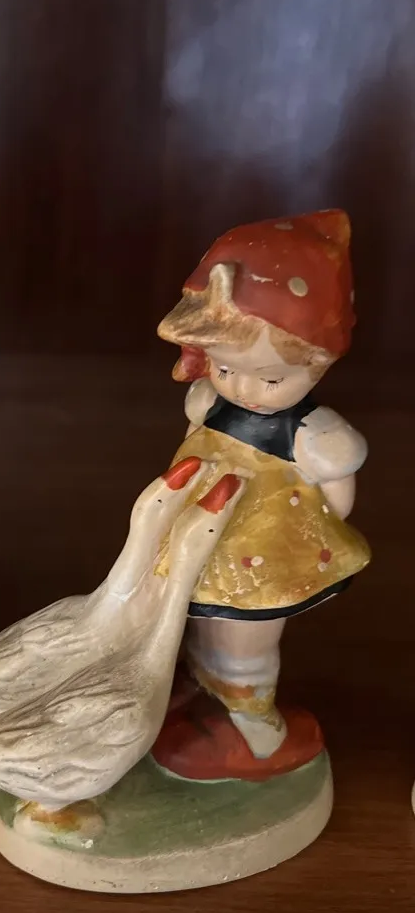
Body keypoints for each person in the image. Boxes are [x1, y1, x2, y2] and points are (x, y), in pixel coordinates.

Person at [151, 208, 370, 780]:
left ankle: (254, 718)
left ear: (318, 364)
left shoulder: (312, 434)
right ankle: (203, 687)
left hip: (264, 558)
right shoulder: (209, 401)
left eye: (271, 377)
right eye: (225, 368)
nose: (244, 387)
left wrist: (307, 533)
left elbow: (338, 500)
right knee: (192, 620)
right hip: (200, 540)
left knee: (246, 640)